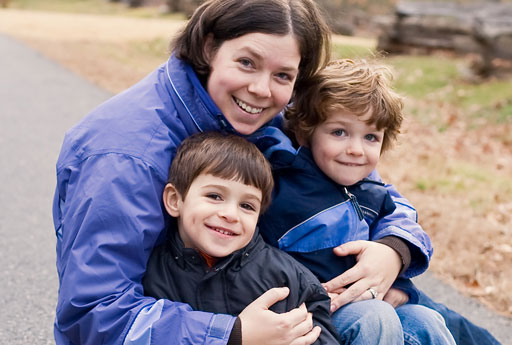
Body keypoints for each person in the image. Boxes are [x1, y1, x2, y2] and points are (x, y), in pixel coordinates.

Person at [53, 0, 431, 344]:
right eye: (247, 63)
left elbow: (368, 187)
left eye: (283, 76)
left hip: (261, 296)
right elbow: (93, 314)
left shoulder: (258, 119)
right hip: (196, 324)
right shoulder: (125, 156)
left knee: (424, 323)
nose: (261, 89)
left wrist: (393, 249)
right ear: (209, 47)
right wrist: (231, 334)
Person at [257, 59, 455, 345]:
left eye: (371, 137)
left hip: (365, 304)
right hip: (309, 316)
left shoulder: (370, 189)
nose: (355, 150)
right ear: (305, 132)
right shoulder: (282, 186)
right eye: (339, 132)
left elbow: (398, 227)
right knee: (374, 316)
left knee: (426, 320)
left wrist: (396, 282)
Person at [142, 132, 339, 345]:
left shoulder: (290, 280)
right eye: (214, 196)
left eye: (247, 206)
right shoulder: (149, 271)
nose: (231, 214)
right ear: (175, 200)